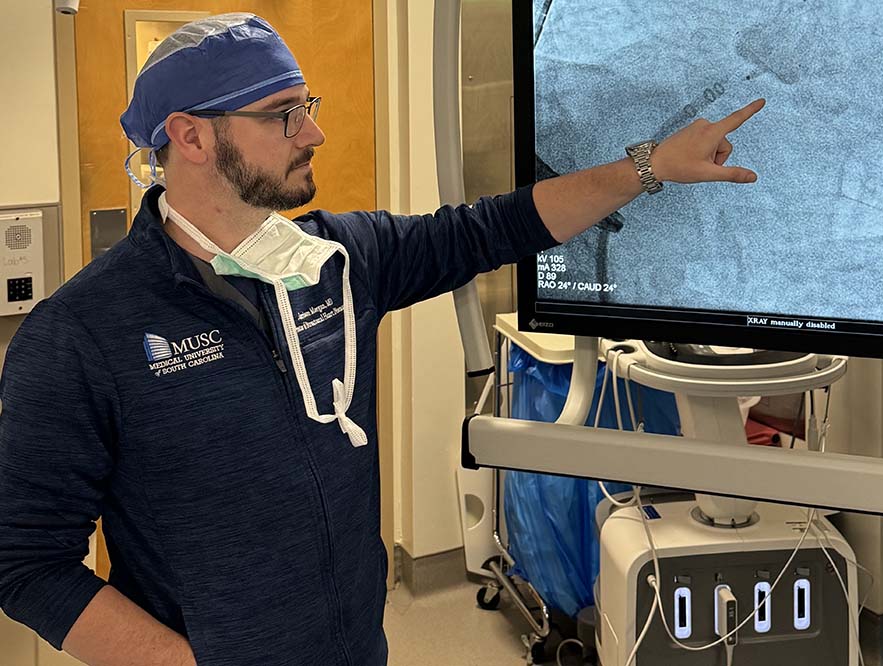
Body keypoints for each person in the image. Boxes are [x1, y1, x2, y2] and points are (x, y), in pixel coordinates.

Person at [0, 13, 764, 666]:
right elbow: (26, 563)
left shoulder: (341, 263)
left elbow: (497, 225)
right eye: (284, 114)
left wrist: (650, 168)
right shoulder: (81, 335)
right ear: (191, 137)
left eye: (311, 106)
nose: (316, 132)